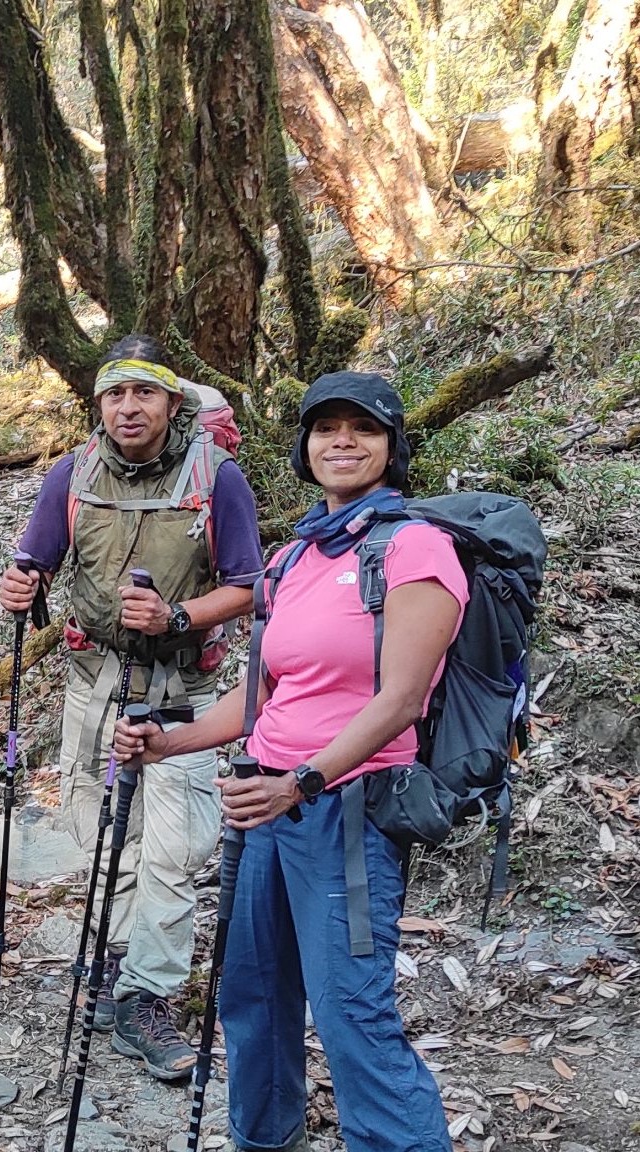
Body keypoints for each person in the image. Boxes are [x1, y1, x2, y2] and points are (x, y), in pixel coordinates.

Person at [115, 372, 462, 1151]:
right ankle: (264, 1139)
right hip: (261, 805)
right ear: (305, 448)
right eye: (325, 428)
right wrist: (167, 742)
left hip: (346, 811)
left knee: (350, 1013)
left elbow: (400, 700)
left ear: (392, 446)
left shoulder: (416, 549)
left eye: (362, 429)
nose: (342, 441)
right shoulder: (294, 556)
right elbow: (261, 695)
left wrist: (299, 783)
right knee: (252, 996)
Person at [0, 334, 263, 1081]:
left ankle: (148, 995)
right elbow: (34, 562)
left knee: (175, 848)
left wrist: (177, 617)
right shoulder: (71, 474)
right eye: (114, 394)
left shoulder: (218, 479)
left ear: (171, 401)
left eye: (143, 392)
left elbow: (251, 585)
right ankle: (119, 962)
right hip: (94, 685)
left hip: (183, 690)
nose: (128, 407)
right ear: (98, 404)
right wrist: (19, 588)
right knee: (102, 831)